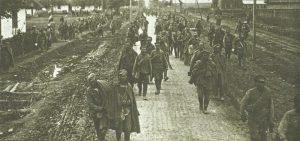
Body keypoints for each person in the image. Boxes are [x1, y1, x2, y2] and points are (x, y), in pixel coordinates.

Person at [240, 75, 274, 141]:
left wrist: (271, 120)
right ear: (255, 83)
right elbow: (243, 104)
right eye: (259, 82)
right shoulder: (250, 92)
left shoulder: (268, 93)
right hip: (253, 118)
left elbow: (271, 107)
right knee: (255, 137)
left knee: (264, 138)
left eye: (263, 82)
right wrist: (242, 114)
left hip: (264, 119)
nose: (261, 84)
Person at [115, 70, 140, 141]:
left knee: (127, 128)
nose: (121, 77)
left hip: (127, 110)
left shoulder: (129, 86)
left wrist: (130, 103)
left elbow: (132, 99)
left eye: (122, 76)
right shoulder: (116, 86)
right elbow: (112, 98)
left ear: (126, 77)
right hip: (118, 110)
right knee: (118, 128)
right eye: (119, 76)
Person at [86, 73, 109, 141]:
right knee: (97, 128)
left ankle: (102, 138)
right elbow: (90, 104)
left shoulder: (101, 87)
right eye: (90, 82)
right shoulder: (89, 90)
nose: (92, 83)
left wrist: (104, 107)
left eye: (93, 81)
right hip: (95, 112)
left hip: (104, 110)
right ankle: (100, 139)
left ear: (95, 80)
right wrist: (99, 109)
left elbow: (106, 97)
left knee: (104, 127)